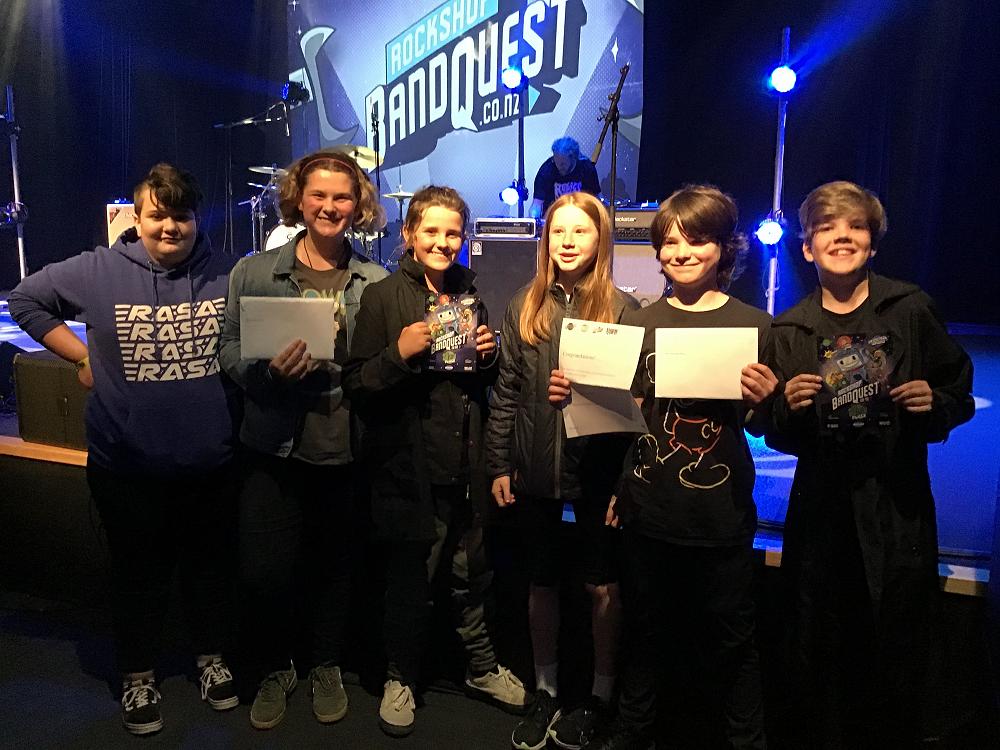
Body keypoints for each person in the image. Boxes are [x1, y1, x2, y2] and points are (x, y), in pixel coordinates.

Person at [8, 163, 239, 735]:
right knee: (137, 577)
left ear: (196, 219)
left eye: (181, 215)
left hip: (211, 463)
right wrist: (81, 357)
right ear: (136, 219)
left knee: (209, 573)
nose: (170, 227)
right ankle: (138, 675)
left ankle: (211, 660)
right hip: (127, 467)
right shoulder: (97, 271)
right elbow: (26, 300)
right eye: (158, 215)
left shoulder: (229, 273)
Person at [763, 181, 974, 748]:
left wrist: (936, 402)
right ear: (806, 246)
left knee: (897, 639)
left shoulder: (910, 309)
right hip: (820, 510)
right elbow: (775, 430)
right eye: (826, 228)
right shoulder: (790, 328)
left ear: (873, 242)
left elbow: (957, 389)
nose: (842, 237)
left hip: (896, 503)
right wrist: (786, 406)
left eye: (855, 227)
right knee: (818, 639)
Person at [586, 185, 775, 750]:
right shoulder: (641, 322)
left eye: (697, 240)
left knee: (731, 640)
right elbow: (627, 415)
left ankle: (744, 741)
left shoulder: (756, 325)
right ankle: (633, 731)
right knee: (646, 632)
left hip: (721, 513)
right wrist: (579, 398)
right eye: (669, 242)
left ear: (724, 247)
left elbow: (764, 426)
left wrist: (766, 401)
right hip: (650, 506)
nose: (682, 253)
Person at [343, 185, 530, 737]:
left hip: (466, 466)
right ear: (409, 234)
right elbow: (358, 384)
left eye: (452, 233)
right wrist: (398, 354)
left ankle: (480, 667)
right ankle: (401, 676)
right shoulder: (382, 298)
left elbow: (480, 383)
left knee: (472, 576)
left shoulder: (471, 294)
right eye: (431, 231)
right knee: (412, 581)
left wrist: (489, 357)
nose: (442, 242)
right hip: (410, 468)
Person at [218, 149, 388, 730]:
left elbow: (379, 365)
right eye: (318, 195)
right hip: (273, 445)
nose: (330, 207)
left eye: (342, 197)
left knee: (334, 567)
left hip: (343, 445)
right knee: (265, 571)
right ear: (298, 198)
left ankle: (325, 664)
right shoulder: (254, 271)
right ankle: (275, 666)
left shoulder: (376, 281)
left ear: (358, 205)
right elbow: (228, 348)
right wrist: (266, 374)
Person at [486, 191, 639, 750]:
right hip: (537, 467)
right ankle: (546, 689)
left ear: (601, 239)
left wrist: (626, 482)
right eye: (558, 231)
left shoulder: (624, 309)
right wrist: (499, 461)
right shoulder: (524, 304)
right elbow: (506, 390)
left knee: (602, 585)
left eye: (581, 231)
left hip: (599, 471)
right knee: (542, 580)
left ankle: (599, 696)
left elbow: (639, 407)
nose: (568, 242)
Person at [530, 137, 601, 219]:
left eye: (563, 163)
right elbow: (537, 204)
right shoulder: (546, 170)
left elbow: (595, 199)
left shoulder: (586, 168)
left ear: (573, 158)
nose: (559, 166)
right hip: (553, 218)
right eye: (556, 162)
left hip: (581, 217)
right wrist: (534, 217)